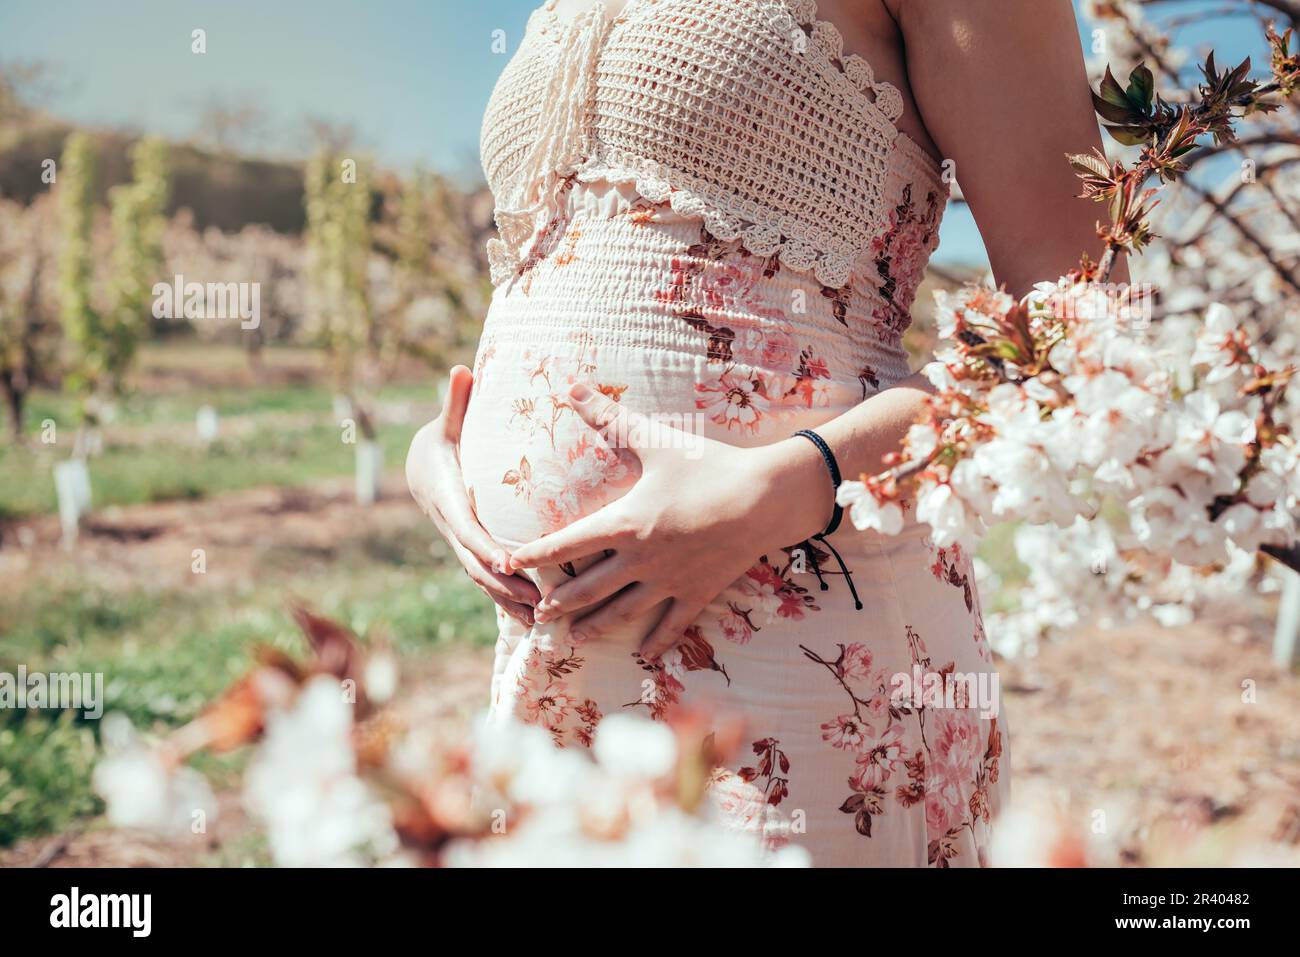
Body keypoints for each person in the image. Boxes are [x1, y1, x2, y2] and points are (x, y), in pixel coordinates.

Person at [407, 0, 1119, 866]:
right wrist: (444, 449)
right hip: (549, 643)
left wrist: (788, 486)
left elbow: (1082, 312)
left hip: (807, 623)